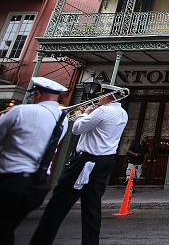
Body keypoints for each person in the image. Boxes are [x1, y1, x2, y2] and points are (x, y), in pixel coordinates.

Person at [30, 84, 128, 245]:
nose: (98, 99)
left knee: (60, 200)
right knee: (92, 204)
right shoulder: (122, 113)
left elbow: (77, 129)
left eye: (100, 96)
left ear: (106, 96)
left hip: (88, 159)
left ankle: (41, 239)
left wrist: (85, 114)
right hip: (106, 160)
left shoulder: (103, 111)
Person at [0, 77, 68, 245]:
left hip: (10, 178)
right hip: (37, 181)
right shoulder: (63, 119)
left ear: (37, 93)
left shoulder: (20, 111)